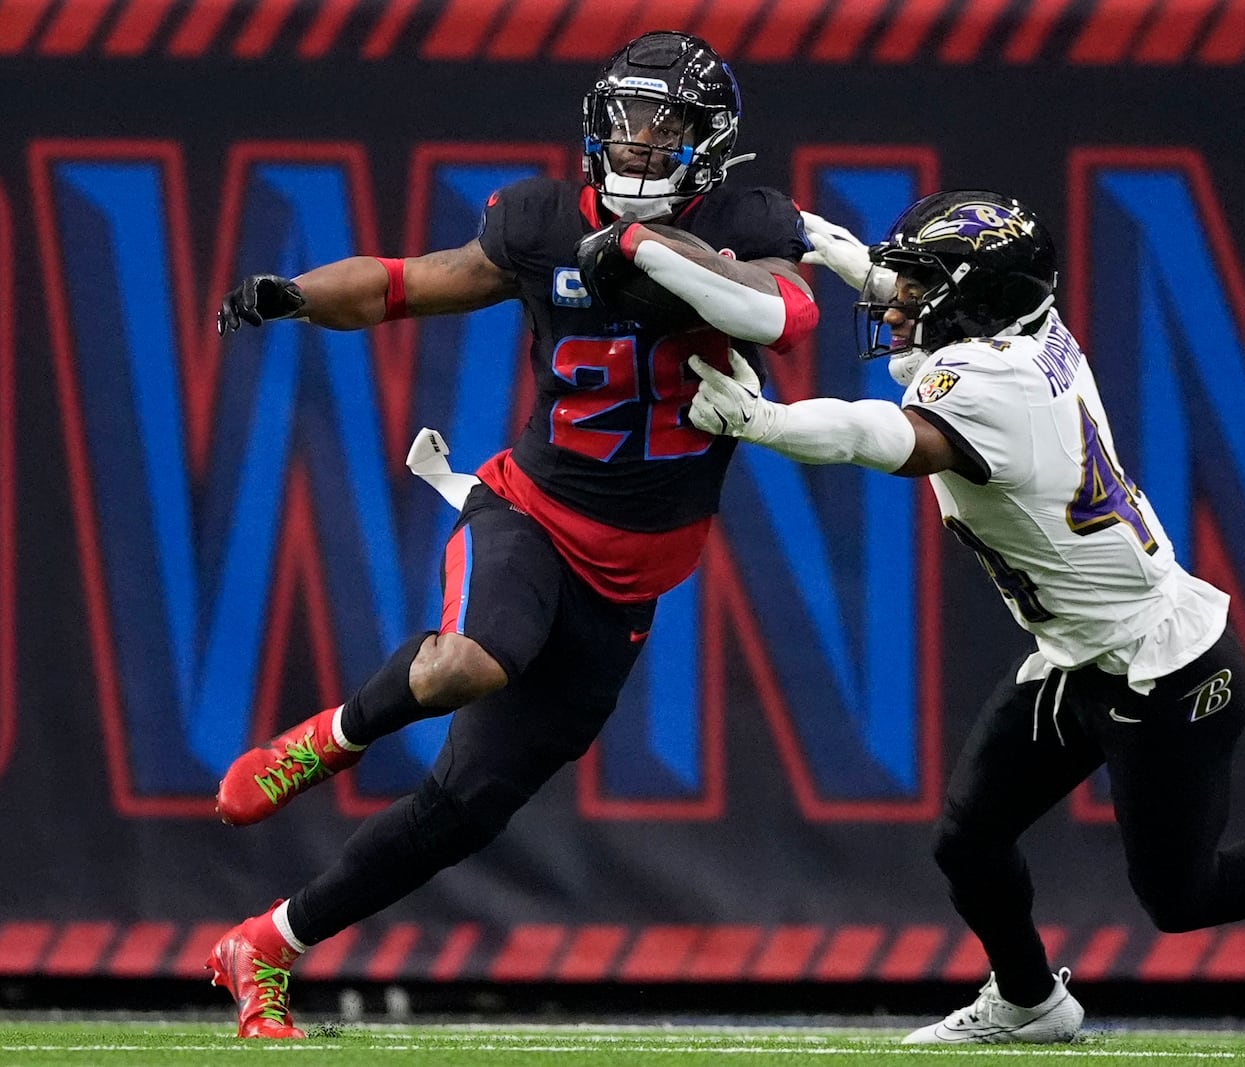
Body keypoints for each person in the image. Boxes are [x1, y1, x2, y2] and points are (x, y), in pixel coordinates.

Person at [689, 190, 1245, 1045]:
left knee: (1186, 899)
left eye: (917, 286)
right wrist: (835, 250)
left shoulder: (990, 390)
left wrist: (764, 422)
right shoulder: (1025, 329)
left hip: (1164, 669)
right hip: (1078, 652)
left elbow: (878, 438)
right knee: (969, 839)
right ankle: (1031, 1001)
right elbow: (942, 316)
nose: (896, 302)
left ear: (977, 300)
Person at [205, 30, 816, 1039]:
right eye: (623, 119)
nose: (636, 142)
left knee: (468, 805)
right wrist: (299, 297)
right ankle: (324, 740)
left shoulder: (746, 219)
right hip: (532, 510)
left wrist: (652, 250)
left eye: (661, 125)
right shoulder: (539, 219)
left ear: (709, 143)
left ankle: (267, 942)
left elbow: (779, 316)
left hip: (635, 574)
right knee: (475, 658)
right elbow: (411, 282)